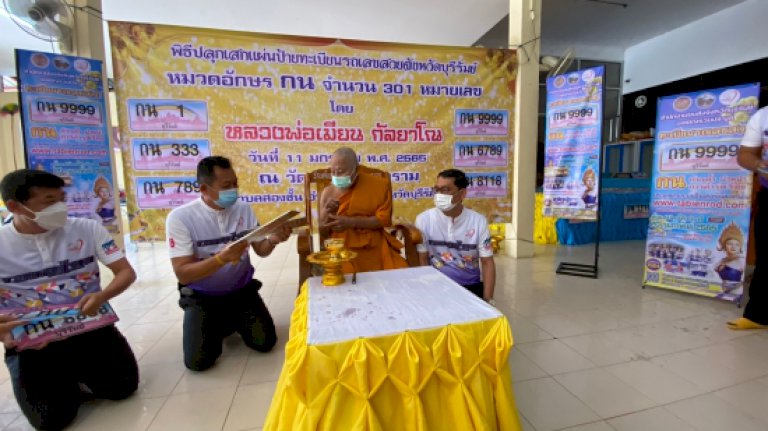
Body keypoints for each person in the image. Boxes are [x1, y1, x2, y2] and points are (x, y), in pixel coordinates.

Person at [0, 169, 138, 430]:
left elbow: (125, 272)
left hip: (90, 329)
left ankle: (75, 377)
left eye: (62, 199)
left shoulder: (87, 228)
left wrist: (103, 295)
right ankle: (62, 381)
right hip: (34, 344)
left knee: (123, 389)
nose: (60, 207)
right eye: (49, 202)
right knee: (51, 421)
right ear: (15, 206)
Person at [166, 156, 290, 371]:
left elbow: (261, 250)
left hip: (241, 292)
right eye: (226, 186)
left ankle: (232, 320)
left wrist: (274, 239)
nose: (234, 190)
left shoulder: (243, 209)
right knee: (198, 363)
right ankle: (218, 322)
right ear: (204, 188)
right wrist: (221, 259)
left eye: (235, 184)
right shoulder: (181, 218)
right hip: (202, 297)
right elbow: (183, 274)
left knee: (265, 343)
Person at [318, 147, 407, 273]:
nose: (336, 176)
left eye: (341, 171)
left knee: (399, 273)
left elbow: (383, 220)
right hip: (341, 248)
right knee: (345, 279)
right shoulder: (328, 193)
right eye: (333, 172)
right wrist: (327, 213)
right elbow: (323, 231)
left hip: (374, 245)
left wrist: (351, 222)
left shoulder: (378, 186)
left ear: (356, 170)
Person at [415, 169, 496, 304]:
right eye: (437, 189)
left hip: (470, 287)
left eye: (446, 190)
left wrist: (488, 300)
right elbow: (422, 260)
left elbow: (487, 263)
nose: (439, 195)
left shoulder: (477, 221)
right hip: (436, 287)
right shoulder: (424, 220)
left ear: (462, 193)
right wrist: (426, 293)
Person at [730, 106, 768, 329]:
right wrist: (759, 164)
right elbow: (745, 155)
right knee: (765, 256)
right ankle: (759, 315)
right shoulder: (763, 115)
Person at [715, 222, 746, 293]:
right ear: (724, 245)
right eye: (730, 244)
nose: (733, 247)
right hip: (723, 291)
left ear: (740, 247)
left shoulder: (741, 260)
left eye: (737, 245)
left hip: (736, 291)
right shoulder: (722, 260)